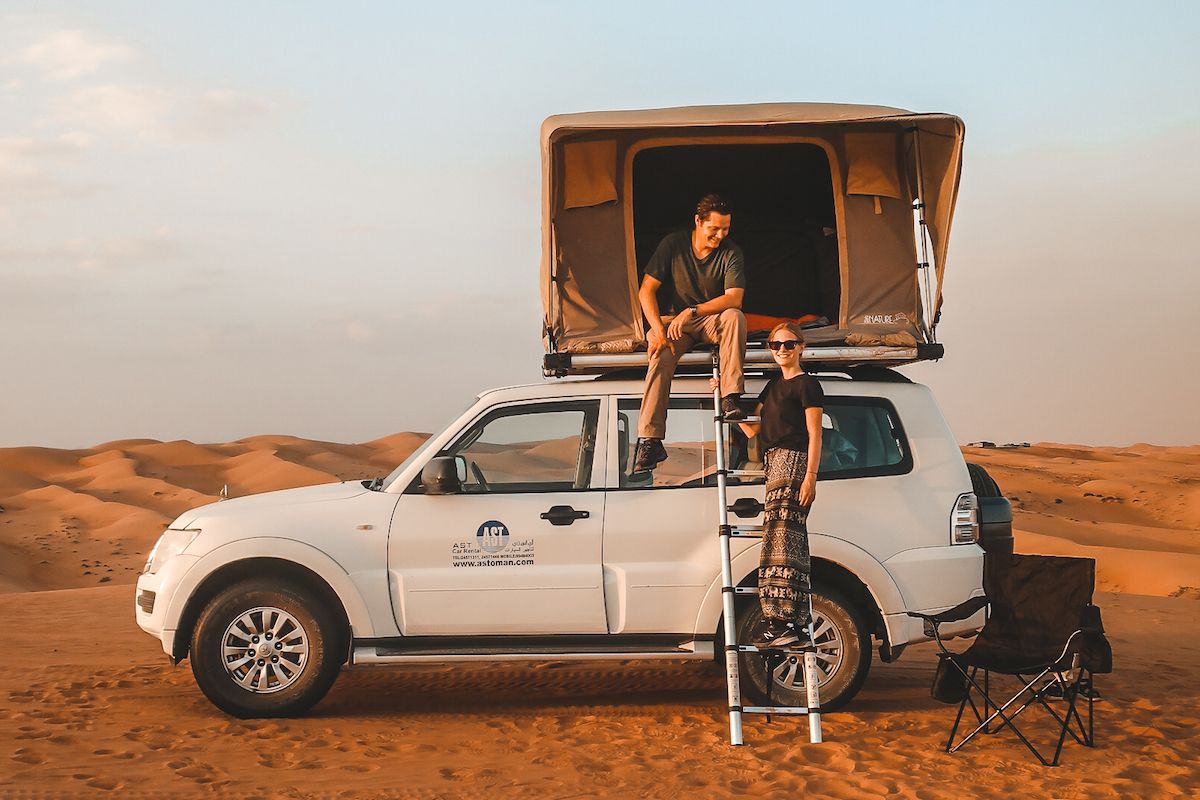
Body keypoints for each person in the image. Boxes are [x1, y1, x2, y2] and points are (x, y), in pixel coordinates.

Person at [631, 193, 748, 477]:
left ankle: (731, 397)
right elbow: (646, 291)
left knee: (735, 317)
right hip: (675, 324)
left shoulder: (731, 252)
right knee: (659, 355)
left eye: (725, 229)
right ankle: (651, 440)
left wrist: (693, 311)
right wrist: (658, 331)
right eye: (714, 229)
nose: (720, 235)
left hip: (710, 319)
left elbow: (734, 298)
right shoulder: (673, 244)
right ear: (698, 221)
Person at [726, 321, 824, 648]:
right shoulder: (772, 387)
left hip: (794, 462)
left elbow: (815, 434)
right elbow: (753, 430)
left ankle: (782, 621)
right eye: (775, 345)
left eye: (789, 344)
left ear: (801, 347)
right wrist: (721, 396)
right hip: (773, 464)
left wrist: (810, 477)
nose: (782, 349)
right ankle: (791, 623)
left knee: (782, 540)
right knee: (782, 540)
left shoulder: (807, 384)